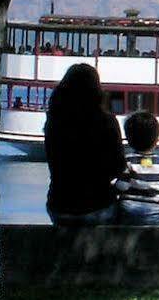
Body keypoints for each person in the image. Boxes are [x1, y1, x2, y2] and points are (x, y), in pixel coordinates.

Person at [44, 62, 126, 226]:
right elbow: (118, 166)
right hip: (98, 204)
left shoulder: (54, 122)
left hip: (60, 206)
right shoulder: (107, 121)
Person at [114, 109, 159, 225]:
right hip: (155, 216)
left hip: (129, 214)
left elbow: (121, 186)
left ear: (129, 140)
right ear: (156, 140)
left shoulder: (128, 160)